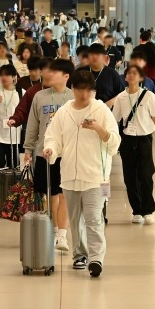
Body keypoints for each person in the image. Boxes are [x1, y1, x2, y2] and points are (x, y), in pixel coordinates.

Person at [44, 70, 121, 278]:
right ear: (73, 90)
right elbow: (53, 136)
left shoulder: (101, 110)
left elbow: (114, 141)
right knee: (75, 218)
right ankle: (80, 254)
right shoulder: (64, 112)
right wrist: (51, 149)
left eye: (89, 90)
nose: (85, 95)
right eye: (81, 90)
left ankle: (96, 258)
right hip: (69, 174)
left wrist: (98, 128)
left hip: (95, 175)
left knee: (94, 218)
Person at [25, 59, 75, 252]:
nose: (48, 75)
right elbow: (32, 125)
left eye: (54, 72)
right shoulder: (39, 96)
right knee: (49, 194)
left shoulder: (73, 97)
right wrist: (28, 149)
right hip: (43, 153)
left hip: (67, 153)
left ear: (66, 76)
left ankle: (62, 235)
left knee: (63, 194)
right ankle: (53, 230)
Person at [113, 66, 155, 225]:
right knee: (129, 177)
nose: (131, 76)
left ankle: (148, 209)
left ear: (141, 78)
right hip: (127, 140)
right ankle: (137, 210)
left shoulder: (148, 95)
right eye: (129, 73)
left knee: (145, 175)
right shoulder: (120, 97)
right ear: (125, 77)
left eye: (135, 74)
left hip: (144, 139)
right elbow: (115, 120)